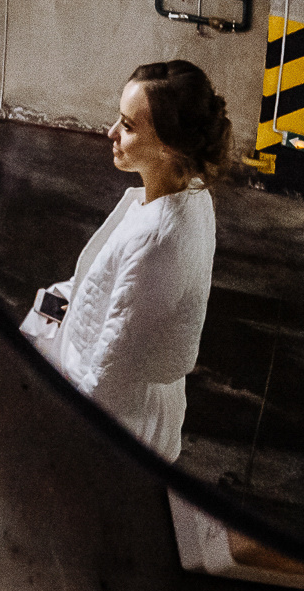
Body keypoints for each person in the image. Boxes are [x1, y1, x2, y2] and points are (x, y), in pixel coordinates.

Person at [21, 61, 227, 460]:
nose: (111, 132)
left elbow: (111, 372)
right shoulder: (193, 194)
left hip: (118, 426)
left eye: (129, 126)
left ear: (169, 146)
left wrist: (63, 438)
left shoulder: (158, 239)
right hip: (120, 394)